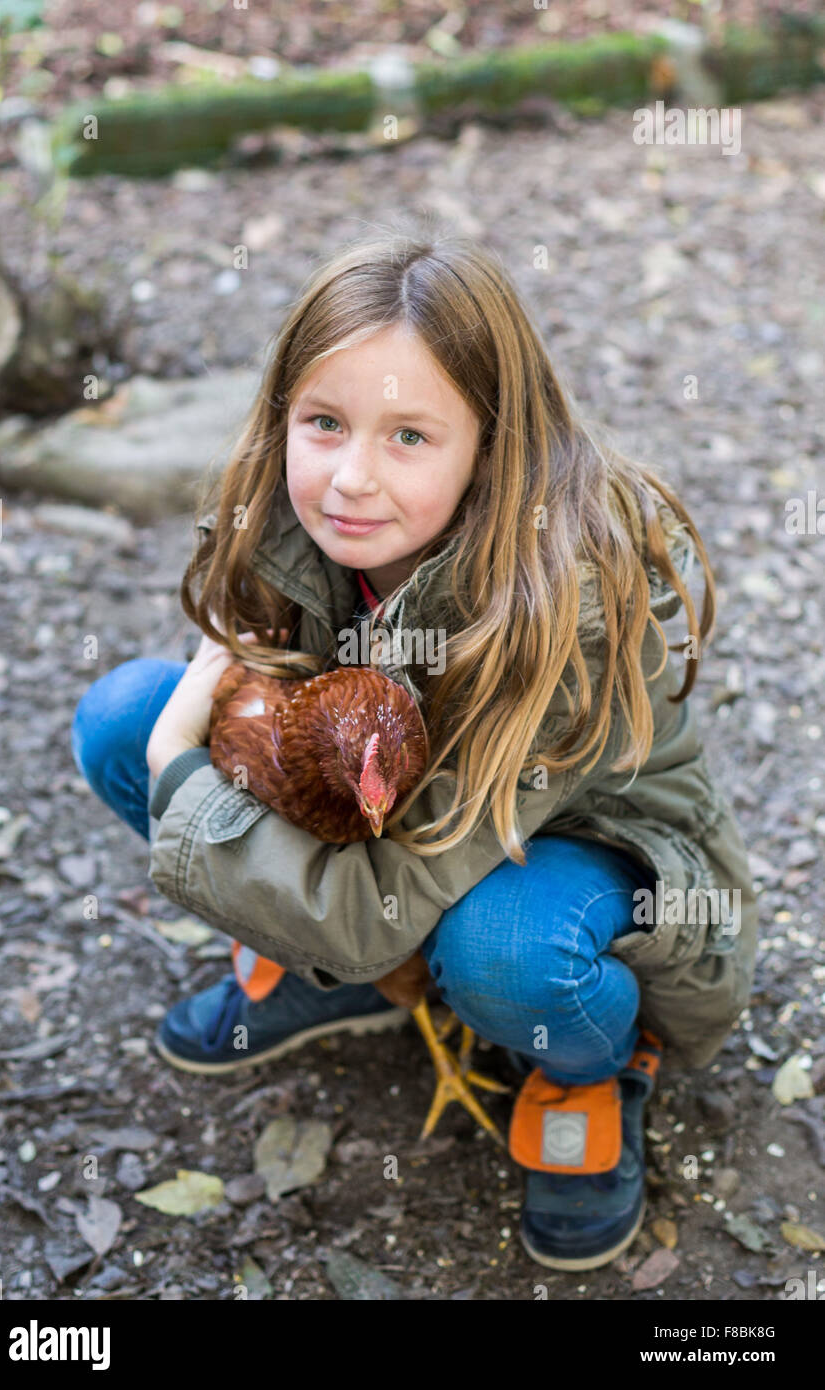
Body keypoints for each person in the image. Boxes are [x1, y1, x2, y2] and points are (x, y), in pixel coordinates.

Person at [71, 231, 758, 1272]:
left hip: (578, 857)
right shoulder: (288, 518)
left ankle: (587, 1062)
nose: (349, 478)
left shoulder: (560, 602)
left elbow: (372, 889)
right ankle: (346, 974)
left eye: (408, 437)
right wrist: (212, 733)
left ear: (492, 443)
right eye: (325, 423)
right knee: (122, 714)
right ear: (280, 417)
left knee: (502, 956)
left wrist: (183, 766)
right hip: (403, 839)